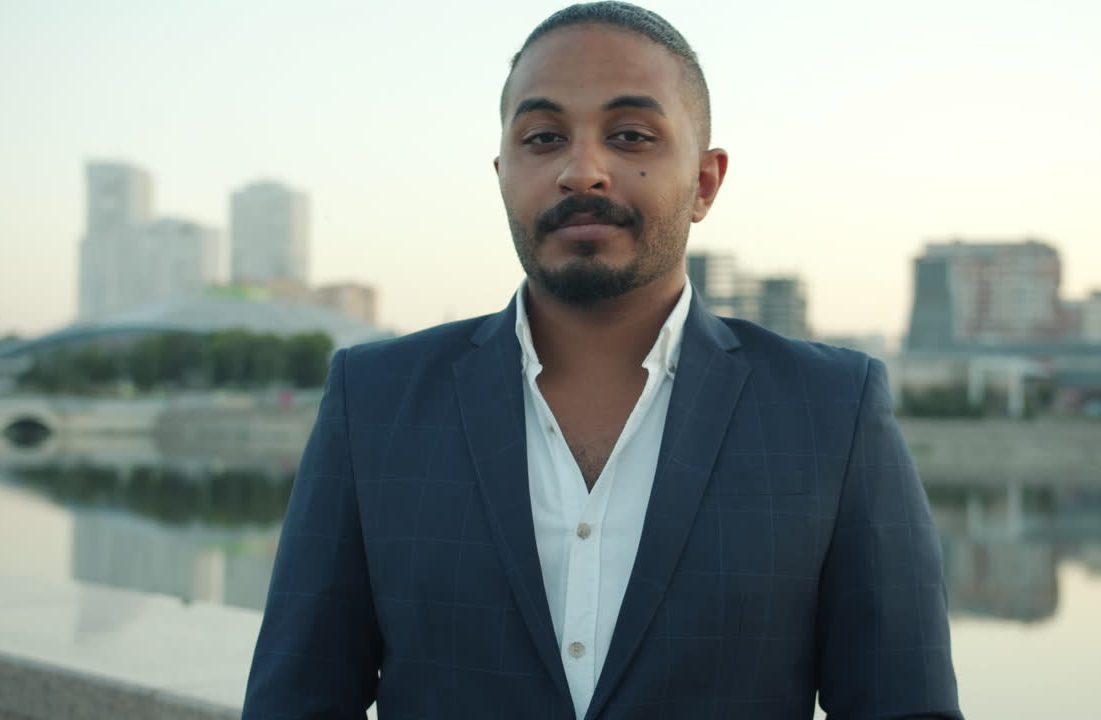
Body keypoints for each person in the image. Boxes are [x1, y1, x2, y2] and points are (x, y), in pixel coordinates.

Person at [242, 3, 962, 718]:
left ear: (705, 183)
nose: (581, 171)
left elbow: (902, 704)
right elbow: (296, 702)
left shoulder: (832, 411)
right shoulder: (374, 402)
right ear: (503, 174)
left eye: (629, 136)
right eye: (544, 137)